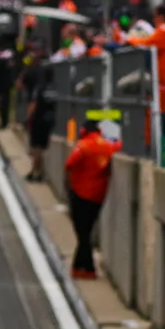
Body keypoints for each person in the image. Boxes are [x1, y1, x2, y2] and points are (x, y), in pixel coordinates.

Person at [65, 116, 117, 279]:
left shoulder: (83, 146)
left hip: (80, 193)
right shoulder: (107, 147)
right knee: (86, 231)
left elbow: (69, 164)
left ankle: (84, 267)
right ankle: (84, 267)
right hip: (98, 196)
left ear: (83, 131)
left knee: (83, 233)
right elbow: (118, 148)